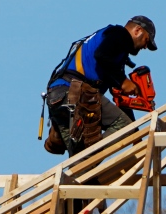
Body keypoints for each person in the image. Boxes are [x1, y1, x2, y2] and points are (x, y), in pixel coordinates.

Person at [43, 16, 157, 158]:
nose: (145, 46)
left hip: (58, 97)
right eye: (146, 40)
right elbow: (101, 55)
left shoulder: (113, 53)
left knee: (81, 161)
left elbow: (120, 99)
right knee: (122, 128)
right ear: (137, 30)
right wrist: (123, 81)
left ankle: (60, 130)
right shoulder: (119, 34)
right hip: (74, 93)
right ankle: (89, 156)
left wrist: (135, 133)